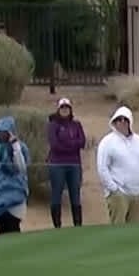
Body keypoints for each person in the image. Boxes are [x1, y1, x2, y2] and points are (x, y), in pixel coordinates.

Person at [97, 105, 139, 224]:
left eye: (125, 119)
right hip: (119, 194)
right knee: (118, 230)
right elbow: (102, 168)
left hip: (138, 193)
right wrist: (114, 189)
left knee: (134, 230)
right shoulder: (107, 142)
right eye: (119, 119)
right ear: (114, 121)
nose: (122, 122)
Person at [46, 97, 87, 228]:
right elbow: (54, 145)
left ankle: (78, 224)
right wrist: (72, 145)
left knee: (75, 194)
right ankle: (57, 225)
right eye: (62, 108)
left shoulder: (76, 125)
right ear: (58, 110)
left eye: (67, 108)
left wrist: (67, 144)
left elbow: (82, 142)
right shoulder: (53, 125)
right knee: (56, 193)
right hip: (57, 164)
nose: (65, 110)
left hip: (74, 164)